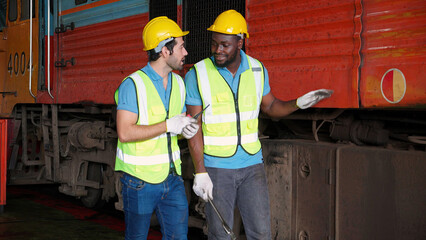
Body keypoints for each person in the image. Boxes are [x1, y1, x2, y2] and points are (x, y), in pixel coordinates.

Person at [185, 10, 333, 239]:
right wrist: (200, 170)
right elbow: (193, 127)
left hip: (252, 165)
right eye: (214, 44)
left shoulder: (257, 69)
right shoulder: (198, 73)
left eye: (225, 45)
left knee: (261, 233)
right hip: (217, 168)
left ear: (240, 42)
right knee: (220, 234)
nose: (217, 51)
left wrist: (298, 103)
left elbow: (271, 106)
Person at [114, 16, 199, 240]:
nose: (185, 53)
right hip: (139, 181)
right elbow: (125, 132)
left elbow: (174, 125)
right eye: (181, 47)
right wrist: (168, 125)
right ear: (164, 51)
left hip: (172, 178)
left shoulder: (179, 83)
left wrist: (184, 129)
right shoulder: (132, 85)